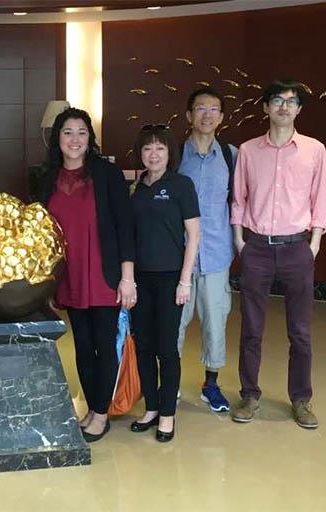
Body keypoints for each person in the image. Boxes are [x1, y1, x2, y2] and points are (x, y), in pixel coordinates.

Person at [230, 79, 326, 429]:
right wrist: (240, 241)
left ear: (299, 109)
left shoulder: (314, 150)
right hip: (256, 248)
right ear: (266, 107)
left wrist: (313, 244)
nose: (284, 107)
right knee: (251, 329)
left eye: (291, 101)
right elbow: (239, 198)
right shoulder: (248, 150)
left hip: (297, 248)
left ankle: (301, 399)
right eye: (277, 100)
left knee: (300, 331)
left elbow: (320, 198)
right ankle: (249, 395)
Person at [37, 107, 136, 443]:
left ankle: (101, 413)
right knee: (82, 346)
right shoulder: (47, 178)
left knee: (104, 345)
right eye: (68, 132)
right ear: (58, 138)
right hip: (70, 275)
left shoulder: (107, 175)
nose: (75, 139)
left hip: (104, 275)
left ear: (90, 138)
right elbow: (40, 232)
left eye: (82, 132)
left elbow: (125, 227)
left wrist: (127, 277)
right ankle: (93, 407)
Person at [129, 124, 200, 442]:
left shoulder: (181, 185)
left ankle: (168, 414)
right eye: (147, 148)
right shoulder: (136, 187)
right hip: (140, 280)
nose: (153, 154)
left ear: (169, 153)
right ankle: (152, 407)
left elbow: (193, 235)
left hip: (171, 279)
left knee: (167, 348)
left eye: (159, 148)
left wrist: (185, 281)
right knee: (143, 345)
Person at [176, 87, 237, 412]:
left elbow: (240, 200)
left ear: (221, 117)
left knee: (215, 321)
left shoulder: (231, 156)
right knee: (174, 323)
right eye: (200, 108)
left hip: (216, 255)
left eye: (214, 109)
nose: (207, 114)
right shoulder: (174, 154)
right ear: (189, 115)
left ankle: (211, 385)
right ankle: (169, 383)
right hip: (179, 256)